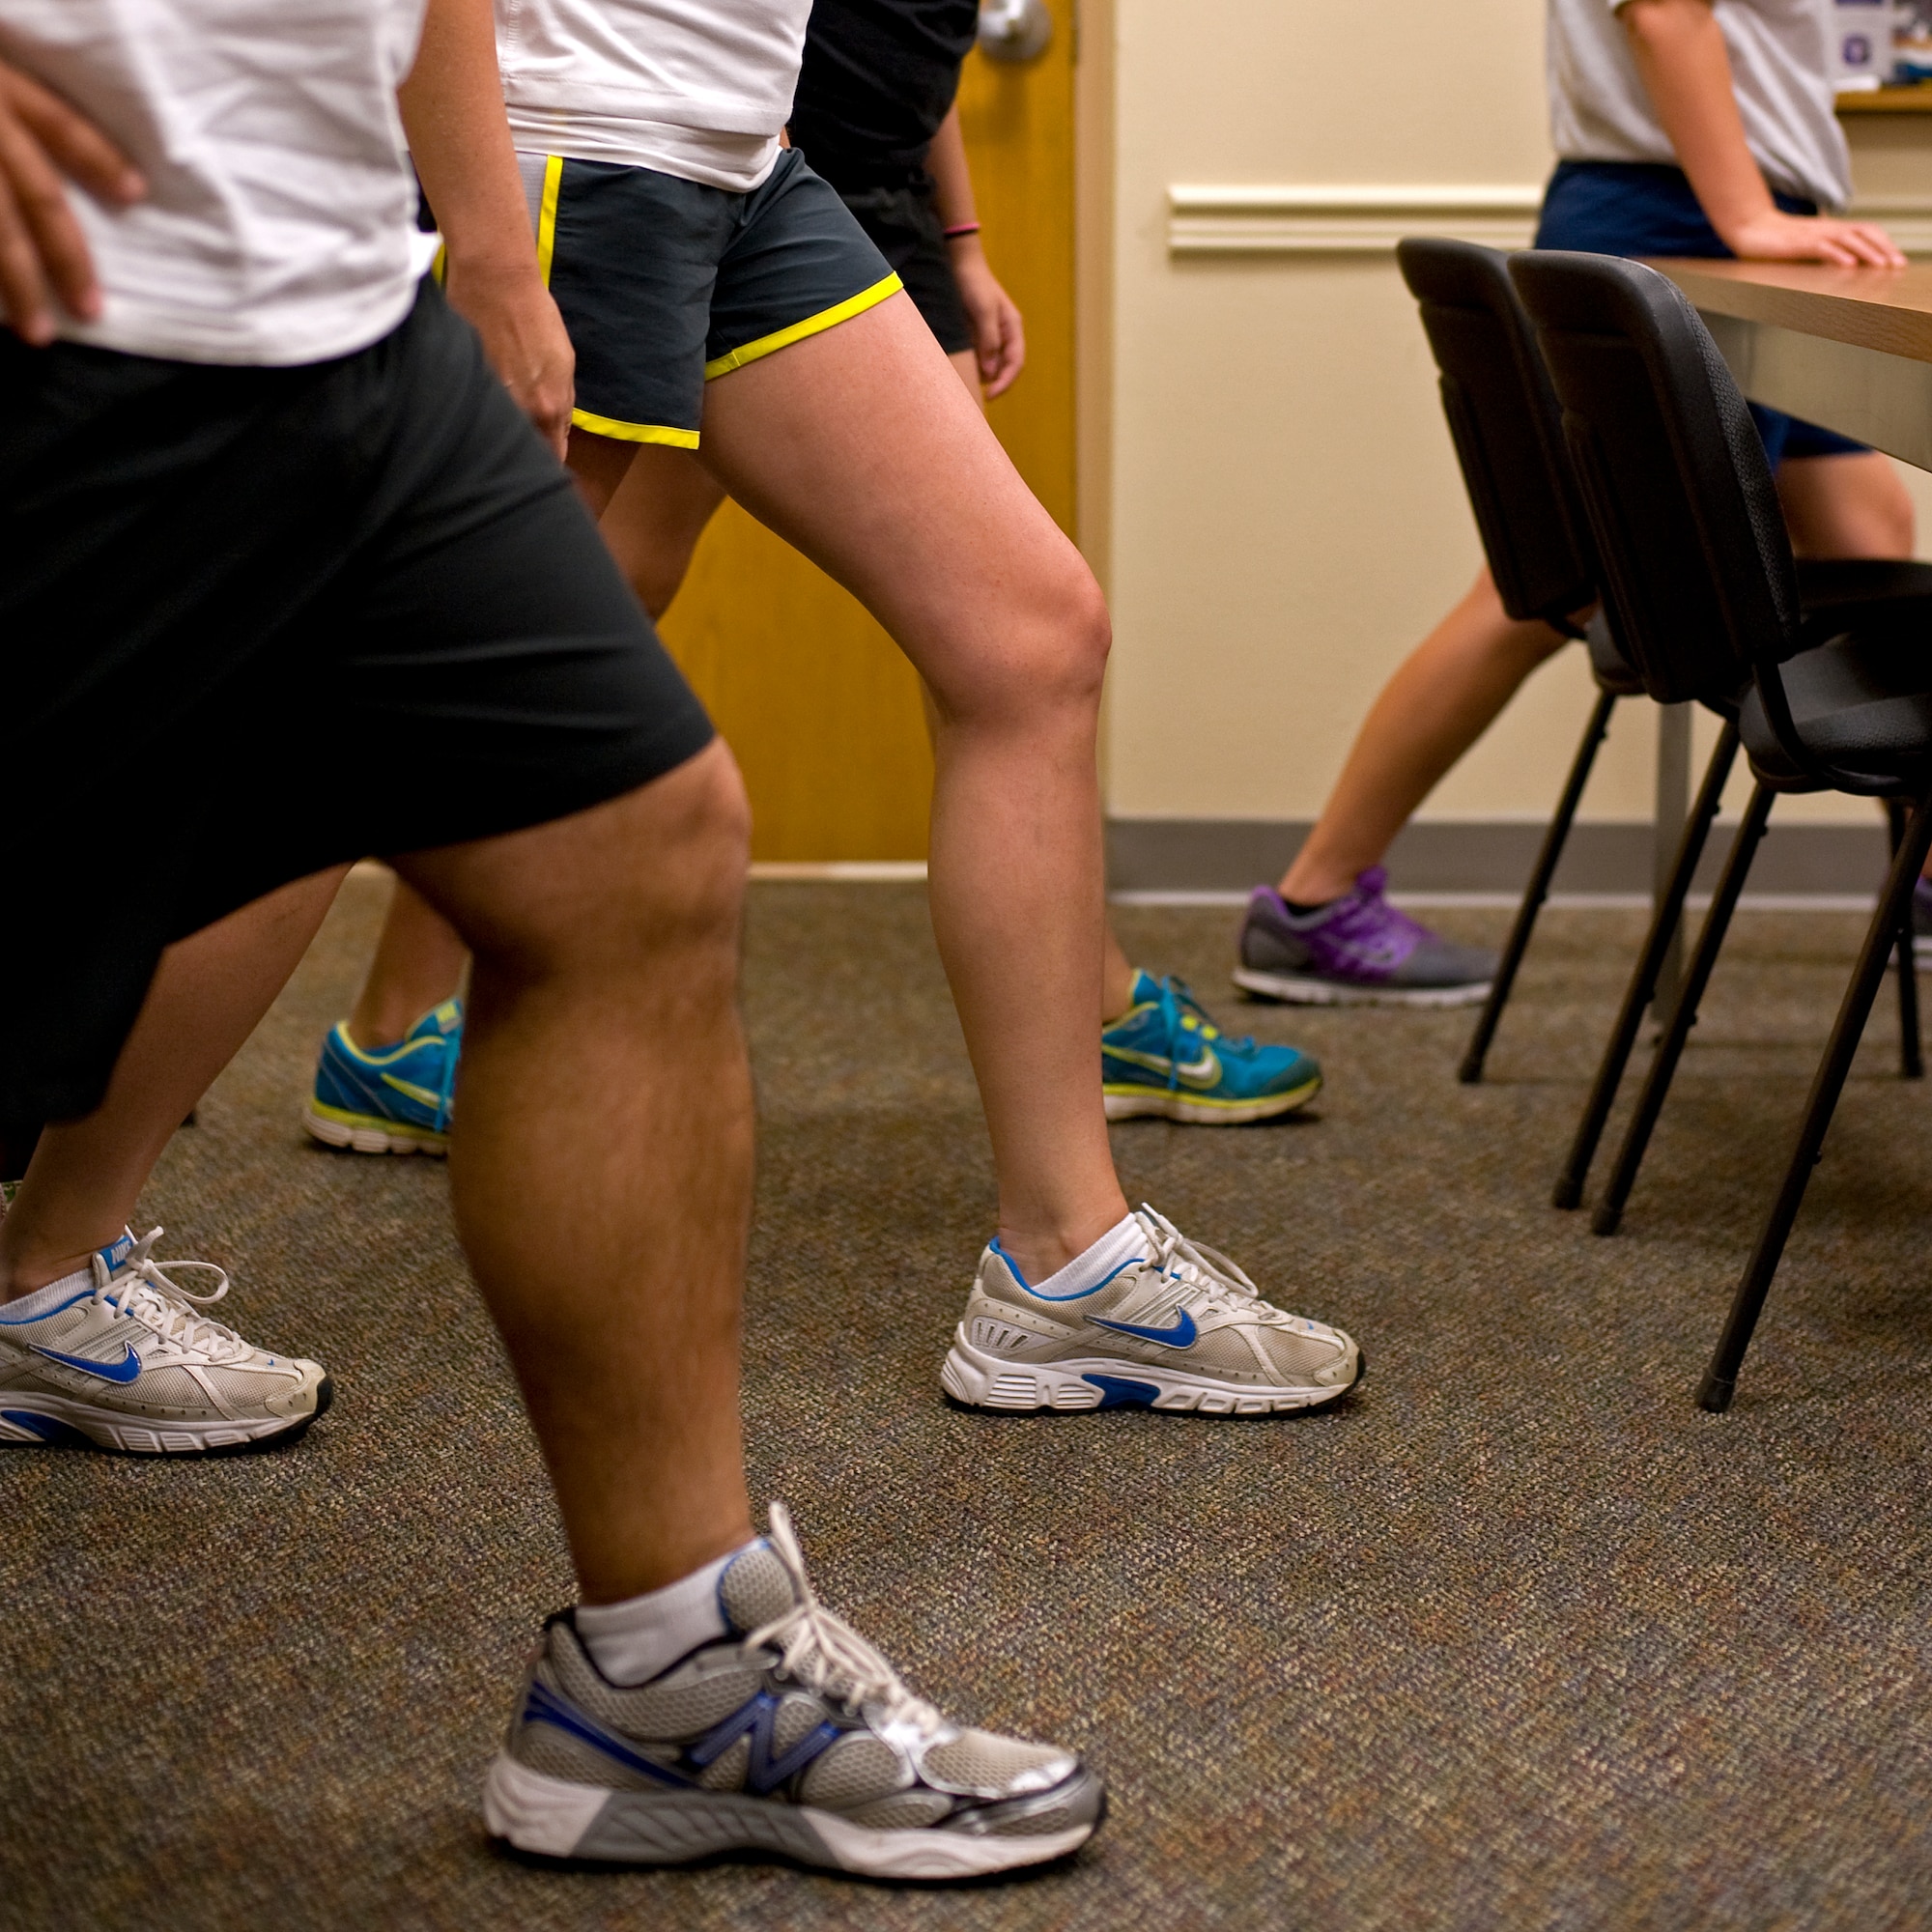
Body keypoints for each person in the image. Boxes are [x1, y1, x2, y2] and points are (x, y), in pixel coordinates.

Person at [0, 0, 1107, 1874]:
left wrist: (487, 259)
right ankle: (46, 1271)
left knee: (635, 860)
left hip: (347, 297)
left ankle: (669, 1665)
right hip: (77, 310)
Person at [309, 0, 1323, 1146]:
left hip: (751, 169)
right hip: (589, 155)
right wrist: (492, 255)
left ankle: (1064, 1254)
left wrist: (962, 241)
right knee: (407, 697)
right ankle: (80, 1213)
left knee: (1031, 636)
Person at [1233, 0, 1916, 1010]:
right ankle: (1309, 903)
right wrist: (1742, 217)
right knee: (1565, 589)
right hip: (1680, 207)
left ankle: (1925, 884)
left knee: (1867, 532)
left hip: (1746, 201)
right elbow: (1664, 9)